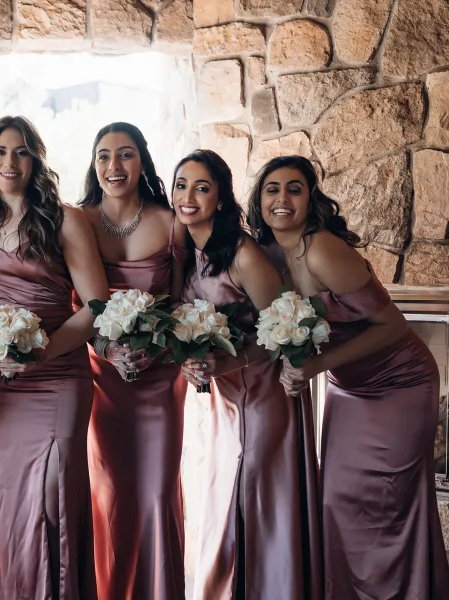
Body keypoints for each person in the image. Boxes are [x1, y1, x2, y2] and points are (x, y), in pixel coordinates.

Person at [247, 155, 449, 599]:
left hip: (400, 383)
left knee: (387, 507)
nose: (282, 198)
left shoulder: (321, 248)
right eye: (272, 189)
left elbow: (393, 325)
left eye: (294, 189)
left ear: (310, 199)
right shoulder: (264, 256)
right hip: (347, 387)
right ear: (258, 200)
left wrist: (313, 367)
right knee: (337, 502)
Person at [0, 116, 108, 599]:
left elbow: (96, 306)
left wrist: (40, 352)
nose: (11, 162)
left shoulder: (63, 218)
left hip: (58, 372)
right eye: (1, 152)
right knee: (8, 503)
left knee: (55, 495)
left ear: (36, 160)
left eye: (22, 152)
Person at [176, 150, 321, 599]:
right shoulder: (184, 251)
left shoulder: (240, 252)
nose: (189, 196)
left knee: (259, 500)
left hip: (262, 392)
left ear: (220, 199)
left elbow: (285, 331)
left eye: (202, 187)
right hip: (223, 399)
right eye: (182, 185)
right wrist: (188, 357)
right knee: (228, 500)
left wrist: (228, 362)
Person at [76, 122, 188, 599]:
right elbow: (71, 303)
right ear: (93, 164)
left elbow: (185, 301)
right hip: (101, 376)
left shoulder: (169, 221)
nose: (113, 166)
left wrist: (158, 348)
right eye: (104, 156)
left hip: (160, 375)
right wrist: (108, 349)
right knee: (111, 493)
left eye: (125, 155)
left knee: (158, 492)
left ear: (142, 161)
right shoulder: (77, 220)